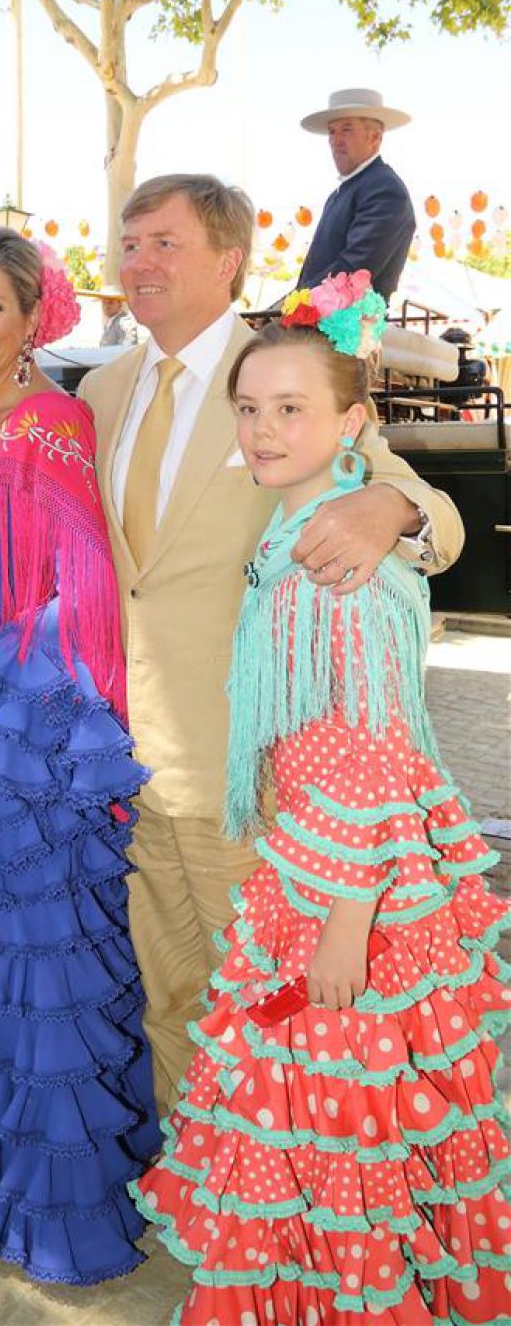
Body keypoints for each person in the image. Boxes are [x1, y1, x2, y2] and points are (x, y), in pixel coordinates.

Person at [130, 275, 511, 1326]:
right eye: (248, 408)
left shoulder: (338, 561)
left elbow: (379, 753)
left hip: (347, 897)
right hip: (307, 866)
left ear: (352, 422)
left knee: (337, 1126)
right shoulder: (296, 531)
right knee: (319, 1128)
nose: (261, 429)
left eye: (289, 408)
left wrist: (347, 920)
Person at [78, 174, 465, 1116]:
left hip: (250, 784)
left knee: (272, 1013)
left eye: (164, 244)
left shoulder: (284, 372)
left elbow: (440, 523)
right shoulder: (100, 386)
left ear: (227, 260)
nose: (139, 264)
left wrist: (389, 505)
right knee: (167, 997)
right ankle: (199, 1195)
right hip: (127, 765)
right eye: (130, 244)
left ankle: (275, 1213)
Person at [0, 230, 160, 1285]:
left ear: (33, 315)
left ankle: (58, 1208)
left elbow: (83, 579)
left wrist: (18, 699)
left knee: (43, 959)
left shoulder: (53, 421)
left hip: (32, 721)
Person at [296, 87, 416, 301]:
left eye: (347, 129)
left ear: (375, 137)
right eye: (332, 132)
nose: (336, 140)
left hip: (351, 329)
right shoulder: (343, 193)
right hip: (321, 324)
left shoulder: (384, 189)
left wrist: (286, 309)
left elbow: (352, 270)